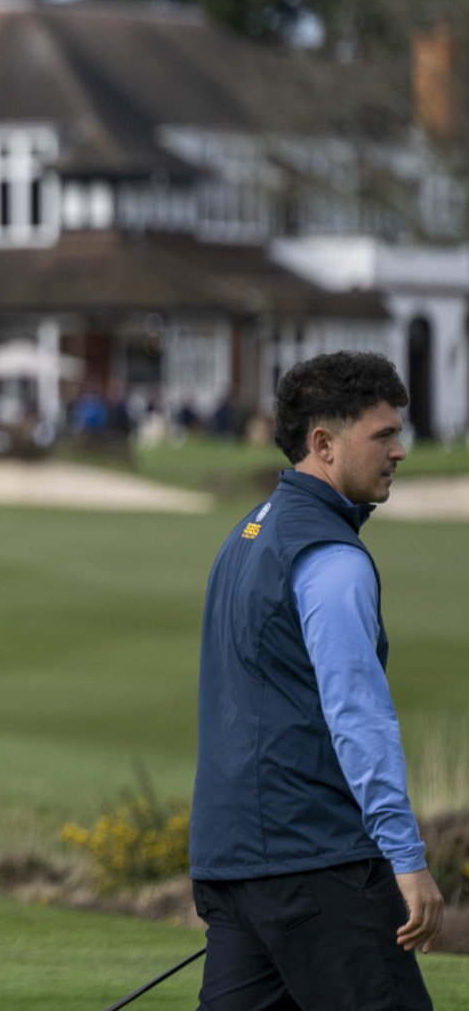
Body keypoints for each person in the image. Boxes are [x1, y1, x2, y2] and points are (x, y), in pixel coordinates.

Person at [189, 351, 442, 1010]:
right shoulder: (330, 556)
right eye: (383, 435)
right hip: (315, 859)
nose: (400, 451)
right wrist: (406, 858)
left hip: (237, 857)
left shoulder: (247, 534)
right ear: (323, 444)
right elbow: (358, 716)